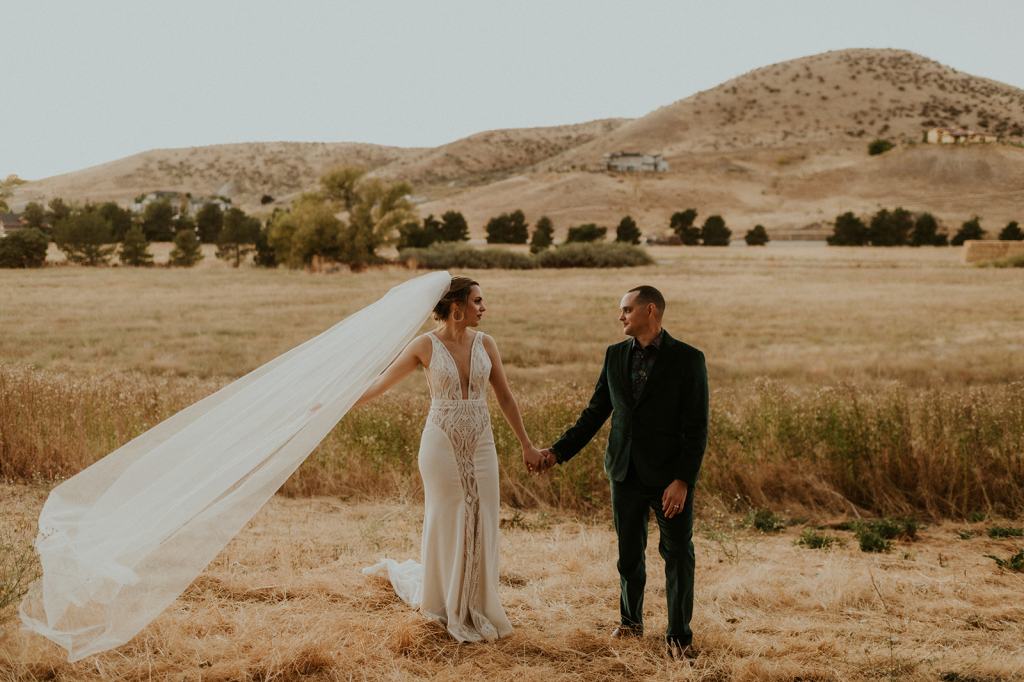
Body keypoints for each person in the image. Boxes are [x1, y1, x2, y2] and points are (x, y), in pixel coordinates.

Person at [357, 275, 547, 642]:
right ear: (456, 306)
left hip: (481, 440)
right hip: (441, 440)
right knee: (448, 515)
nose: (483, 307)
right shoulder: (424, 346)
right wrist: (336, 403)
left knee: (484, 516)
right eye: (477, 301)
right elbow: (379, 385)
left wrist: (526, 443)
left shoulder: (486, 343)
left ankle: (479, 602)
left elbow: (505, 397)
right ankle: (444, 602)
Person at [539, 285, 708, 660]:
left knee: (678, 554)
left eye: (627, 310)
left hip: (670, 480)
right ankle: (631, 623)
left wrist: (683, 480)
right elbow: (595, 413)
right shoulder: (614, 356)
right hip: (624, 473)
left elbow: (697, 427)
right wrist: (557, 453)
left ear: (650, 311)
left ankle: (679, 637)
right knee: (628, 555)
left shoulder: (688, 359)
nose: (621, 317)